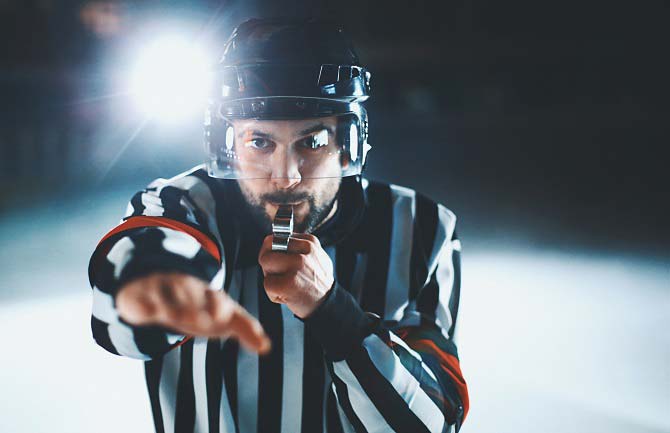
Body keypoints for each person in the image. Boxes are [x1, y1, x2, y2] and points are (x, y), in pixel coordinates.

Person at [88, 18, 469, 433]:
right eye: (259, 142)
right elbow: (118, 325)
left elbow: (434, 423)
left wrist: (334, 312)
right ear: (228, 146)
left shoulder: (421, 228)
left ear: (348, 145)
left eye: (312, 142)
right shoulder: (185, 206)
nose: (285, 178)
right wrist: (159, 288)